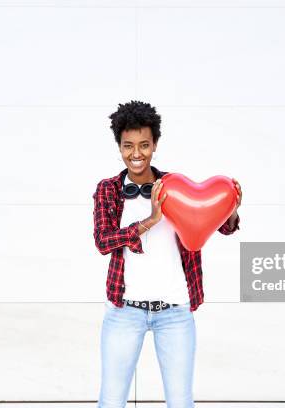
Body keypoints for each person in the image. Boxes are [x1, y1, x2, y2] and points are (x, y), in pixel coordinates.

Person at [93, 100, 241, 408]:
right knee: (111, 400)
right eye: (128, 145)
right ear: (119, 146)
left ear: (155, 144)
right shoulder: (108, 190)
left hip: (175, 312)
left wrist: (230, 209)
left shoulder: (175, 186)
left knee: (180, 402)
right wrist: (150, 220)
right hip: (124, 312)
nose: (136, 154)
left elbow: (215, 227)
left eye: (144, 145)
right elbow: (103, 241)